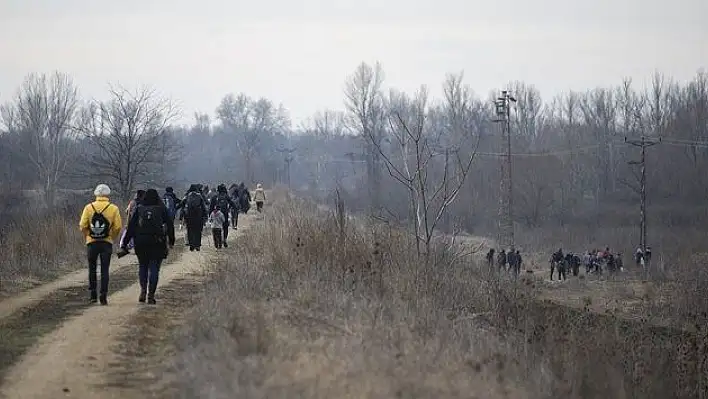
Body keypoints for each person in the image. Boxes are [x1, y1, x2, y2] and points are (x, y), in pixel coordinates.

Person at [122, 189, 175, 304]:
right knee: (154, 268)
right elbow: (170, 225)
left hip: (141, 242)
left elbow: (131, 227)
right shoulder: (161, 209)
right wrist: (171, 241)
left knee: (143, 266)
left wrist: (125, 243)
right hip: (157, 242)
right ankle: (151, 295)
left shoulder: (139, 208)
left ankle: (143, 291)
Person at [79, 184, 122, 305]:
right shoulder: (113, 208)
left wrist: (89, 235)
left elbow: (82, 225)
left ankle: (93, 294)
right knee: (105, 270)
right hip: (106, 243)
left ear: (96, 194)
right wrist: (111, 237)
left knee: (92, 268)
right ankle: (103, 295)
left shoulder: (88, 207)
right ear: (108, 194)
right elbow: (118, 226)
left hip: (91, 243)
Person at [180, 184, 207, 251]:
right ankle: (197, 245)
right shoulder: (199, 196)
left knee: (190, 231)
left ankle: (192, 245)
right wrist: (205, 216)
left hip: (189, 216)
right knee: (198, 231)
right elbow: (204, 206)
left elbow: (182, 204)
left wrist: (181, 215)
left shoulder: (187, 196)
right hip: (198, 216)